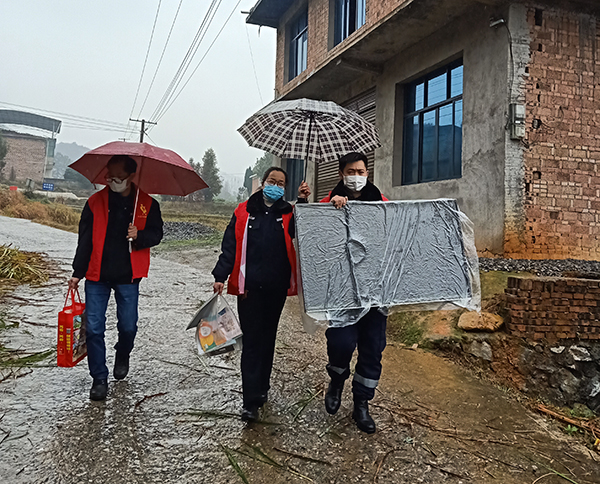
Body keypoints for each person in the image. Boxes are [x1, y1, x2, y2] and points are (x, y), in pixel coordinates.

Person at [212, 167, 310, 421]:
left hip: (276, 288)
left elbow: (305, 234)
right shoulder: (244, 211)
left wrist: (303, 203)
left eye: (281, 183)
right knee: (253, 342)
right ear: (263, 182)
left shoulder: (288, 213)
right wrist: (220, 276)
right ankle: (250, 400)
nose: (275, 185)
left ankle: (262, 386)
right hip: (249, 289)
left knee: (268, 339)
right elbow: (230, 246)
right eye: (271, 181)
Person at [69, 155, 163, 401]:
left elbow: (157, 234)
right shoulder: (94, 203)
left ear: (131, 177)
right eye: (109, 176)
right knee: (94, 328)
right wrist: (77, 273)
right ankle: (99, 378)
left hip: (128, 277)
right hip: (97, 275)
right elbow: (85, 240)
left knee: (128, 325)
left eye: (118, 177)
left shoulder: (146, 205)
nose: (112, 181)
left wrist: (139, 234)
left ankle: (123, 352)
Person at [319, 151, 389, 434]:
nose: (357, 177)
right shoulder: (329, 203)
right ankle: (336, 380)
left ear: (367, 173)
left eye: (361, 172)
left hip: (375, 292)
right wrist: (329, 210)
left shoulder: (382, 203)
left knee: (373, 349)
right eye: (351, 172)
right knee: (341, 343)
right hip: (342, 291)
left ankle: (361, 403)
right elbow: (312, 236)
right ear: (341, 174)